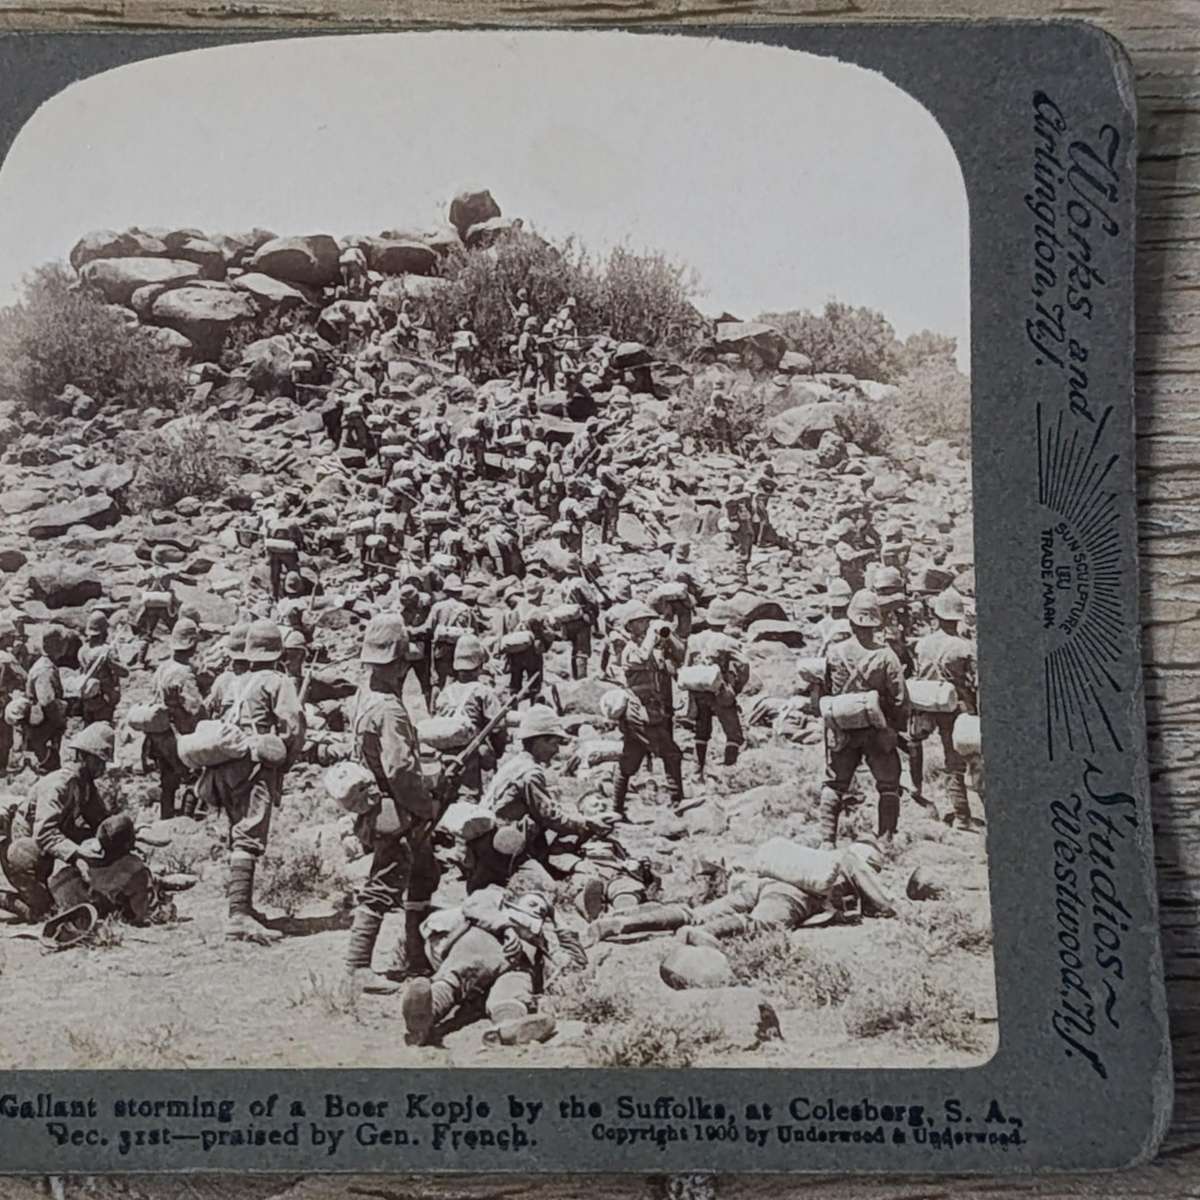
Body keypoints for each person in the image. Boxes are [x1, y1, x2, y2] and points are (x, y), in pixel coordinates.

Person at [344, 614, 441, 993]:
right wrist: (425, 806)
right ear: (399, 664)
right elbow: (399, 769)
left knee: (424, 874)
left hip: (381, 804)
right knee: (384, 883)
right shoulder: (390, 710)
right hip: (395, 810)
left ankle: (416, 957)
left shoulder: (363, 699)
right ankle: (357, 966)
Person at [203, 620, 306, 945]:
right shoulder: (279, 682)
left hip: (223, 765)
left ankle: (241, 906)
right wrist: (284, 762)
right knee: (249, 834)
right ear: (278, 652)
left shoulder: (231, 681)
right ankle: (239, 916)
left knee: (238, 834)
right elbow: (292, 726)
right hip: (254, 767)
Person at [586, 838, 895, 945]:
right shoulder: (851, 862)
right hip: (791, 896)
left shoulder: (819, 862)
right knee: (760, 926)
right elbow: (881, 903)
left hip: (757, 884)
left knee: (692, 914)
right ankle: (708, 935)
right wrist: (894, 910)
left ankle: (621, 924)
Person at [470, 705, 615, 893]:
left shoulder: (515, 763)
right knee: (549, 889)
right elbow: (549, 816)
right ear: (538, 741)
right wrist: (586, 823)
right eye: (553, 743)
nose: (556, 751)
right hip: (501, 845)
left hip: (489, 839)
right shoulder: (530, 773)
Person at [401, 888, 561, 1047]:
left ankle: (508, 1027)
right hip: (482, 945)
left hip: (517, 967)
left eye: (542, 910)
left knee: (512, 994)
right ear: (516, 900)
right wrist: (507, 928)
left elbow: (572, 957)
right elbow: (473, 905)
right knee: (456, 977)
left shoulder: (540, 935)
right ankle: (423, 1015)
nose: (537, 909)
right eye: (532, 903)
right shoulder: (497, 899)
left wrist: (557, 919)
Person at [818, 590, 909, 849]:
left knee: (835, 783)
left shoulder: (834, 652)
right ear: (877, 622)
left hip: (842, 729)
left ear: (851, 621)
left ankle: (827, 841)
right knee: (888, 784)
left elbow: (824, 691)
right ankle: (886, 839)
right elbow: (901, 699)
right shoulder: (886, 656)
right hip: (876, 731)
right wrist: (894, 729)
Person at [0, 721, 114, 922]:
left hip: (45, 852)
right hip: (23, 854)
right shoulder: (59, 785)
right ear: (83, 757)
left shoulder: (84, 786)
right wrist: (77, 855)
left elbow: (100, 821)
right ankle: (5, 899)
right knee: (45, 913)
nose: (102, 768)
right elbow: (45, 833)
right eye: (99, 761)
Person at [909, 587, 981, 830]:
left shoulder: (922, 644)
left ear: (937, 616)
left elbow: (919, 674)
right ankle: (962, 816)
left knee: (915, 746)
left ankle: (916, 790)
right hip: (956, 709)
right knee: (955, 763)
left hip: (927, 706)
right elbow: (975, 682)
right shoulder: (965, 648)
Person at [612, 604, 687, 815]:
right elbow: (642, 658)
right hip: (638, 710)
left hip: (651, 710)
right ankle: (677, 801)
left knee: (630, 758)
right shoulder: (629, 649)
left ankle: (616, 809)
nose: (647, 625)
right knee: (671, 753)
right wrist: (652, 638)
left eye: (648, 620)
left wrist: (668, 636)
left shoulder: (653, 649)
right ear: (632, 626)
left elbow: (680, 656)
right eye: (642, 621)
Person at [432, 634, 507, 802]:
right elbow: (498, 727)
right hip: (470, 757)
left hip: (443, 757)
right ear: (479, 664)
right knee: (468, 801)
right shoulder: (483, 691)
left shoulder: (445, 693)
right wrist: (496, 753)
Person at [144, 618, 204, 821]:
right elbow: (195, 708)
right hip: (179, 735)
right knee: (194, 776)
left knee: (167, 780)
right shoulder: (185, 673)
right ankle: (186, 821)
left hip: (159, 734)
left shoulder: (162, 668)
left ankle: (166, 818)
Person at [684, 619, 749, 781]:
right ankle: (729, 774)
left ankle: (697, 772)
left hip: (698, 691)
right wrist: (736, 687)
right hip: (719, 691)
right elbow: (744, 664)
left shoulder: (693, 639)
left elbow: (686, 666)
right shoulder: (727, 641)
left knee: (701, 732)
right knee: (733, 734)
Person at [24, 626, 69, 776]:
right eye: (63, 642)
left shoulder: (45, 665)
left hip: (43, 729)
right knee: (49, 770)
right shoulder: (45, 670)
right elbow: (47, 702)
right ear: (55, 644)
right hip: (44, 731)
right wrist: (61, 719)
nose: (66, 645)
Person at [77, 612, 127, 727]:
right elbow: (124, 673)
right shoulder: (106, 651)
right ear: (104, 631)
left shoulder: (82, 650)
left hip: (87, 698)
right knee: (103, 732)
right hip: (104, 700)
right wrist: (112, 660)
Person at [134, 546, 178, 648]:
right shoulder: (167, 572)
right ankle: (177, 646)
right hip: (165, 604)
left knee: (149, 630)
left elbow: (139, 583)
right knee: (173, 626)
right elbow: (177, 574)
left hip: (150, 603)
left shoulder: (148, 572)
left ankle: (141, 658)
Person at [0, 623, 27, 774]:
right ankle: (2, 768)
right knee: (4, 735)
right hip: (2, 699)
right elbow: (23, 676)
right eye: (10, 637)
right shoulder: (6, 658)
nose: (13, 639)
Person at [815, 578, 854, 654]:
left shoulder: (854, 622)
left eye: (840, 608)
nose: (838, 612)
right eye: (836, 608)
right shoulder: (822, 625)